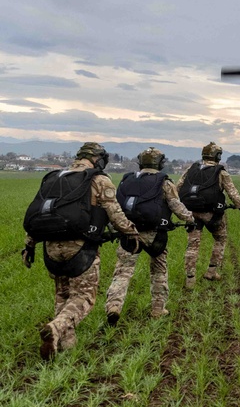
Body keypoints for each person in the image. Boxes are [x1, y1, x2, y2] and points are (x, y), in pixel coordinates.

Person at [22, 142, 141, 359]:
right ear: (98, 159)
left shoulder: (55, 178)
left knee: (63, 295)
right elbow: (115, 213)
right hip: (80, 247)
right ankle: (56, 328)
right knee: (84, 297)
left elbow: (39, 212)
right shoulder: (98, 179)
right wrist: (131, 234)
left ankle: (65, 347)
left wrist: (29, 245)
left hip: (50, 248)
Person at [105, 147, 195, 323]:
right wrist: (191, 220)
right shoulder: (165, 182)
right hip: (155, 235)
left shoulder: (127, 180)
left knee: (123, 272)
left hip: (129, 233)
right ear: (160, 163)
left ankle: (114, 306)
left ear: (140, 162)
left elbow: (115, 206)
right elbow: (177, 206)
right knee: (159, 270)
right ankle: (158, 309)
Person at [178, 142, 240, 287]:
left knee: (192, 245)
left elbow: (177, 187)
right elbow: (232, 193)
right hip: (212, 215)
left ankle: (190, 278)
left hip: (191, 213)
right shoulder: (221, 172)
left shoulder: (191, 170)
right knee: (220, 238)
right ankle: (211, 271)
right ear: (218, 156)